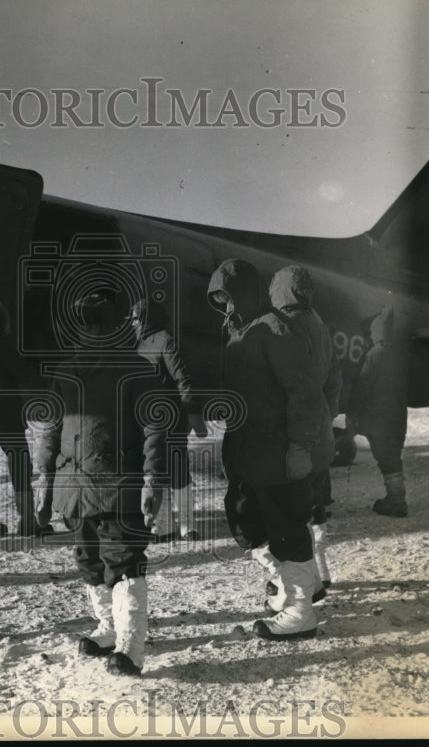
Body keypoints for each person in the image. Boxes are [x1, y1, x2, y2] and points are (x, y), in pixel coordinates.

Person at [36, 293, 167, 676]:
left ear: (115, 327)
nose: (91, 331)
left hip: (118, 489)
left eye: (99, 323)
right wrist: (43, 478)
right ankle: (109, 628)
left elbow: (155, 427)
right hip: (75, 490)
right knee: (89, 563)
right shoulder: (65, 372)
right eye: (86, 323)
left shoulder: (137, 370)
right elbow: (50, 428)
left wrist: (151, 479)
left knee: (124, 563)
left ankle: (131, 646)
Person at [207, 259, 332, 641]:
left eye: (230, 297)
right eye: (220, 300)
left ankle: (300, 611)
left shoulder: (274, 329)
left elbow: (304, 392)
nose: (226, 307)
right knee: (248, 523)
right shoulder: (240, 333)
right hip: (250, 450)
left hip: (278, 449)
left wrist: (299, 446)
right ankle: (290, 589)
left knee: (287, 525)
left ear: (245, 294)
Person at [266, 265, 342, 606]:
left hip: (295, 432)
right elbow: (335, 379)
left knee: (292, 509)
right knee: (315, 503)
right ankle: (322, 573)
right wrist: (327, 414)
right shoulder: (320, 324)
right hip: (321, 428)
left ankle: (303, 585)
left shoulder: (284, 327)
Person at [0, 298, 50, 539]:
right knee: (20, 465)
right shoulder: (2, 345)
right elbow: (24, 374)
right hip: (6, 418)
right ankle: (26, 520)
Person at [128, 297, 208, 543]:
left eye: (134, 318)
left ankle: (182, 526)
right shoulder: (139, 344)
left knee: (176, 468)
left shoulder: (165, 340)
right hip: (148, 422)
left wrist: (193, 413)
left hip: (170, 418)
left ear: (144, 318)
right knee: (159, 468)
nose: (131, 323)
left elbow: (183, 377)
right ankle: (166, 527)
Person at [345, 305, 410, 517]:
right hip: (398, 418)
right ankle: (397, 497)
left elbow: (362, 387)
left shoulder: (374, 355)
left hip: (379, 421)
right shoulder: (399, 356)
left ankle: (396, 501)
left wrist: (352, 415)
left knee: (385, 459)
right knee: (393, 457)